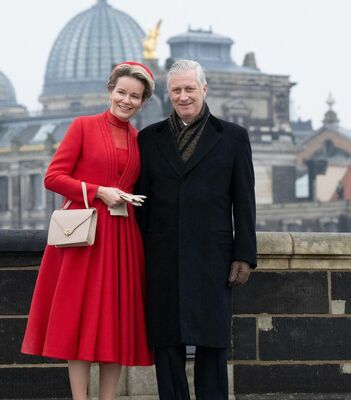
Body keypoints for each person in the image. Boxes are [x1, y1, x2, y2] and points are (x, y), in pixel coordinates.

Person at [22, 61, 156, 400]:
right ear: (110, 91)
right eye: (122, 92)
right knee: (79, 321)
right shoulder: (83, 126)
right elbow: (53, 177)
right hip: (85, 236)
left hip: (124, 237)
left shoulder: (142, 140)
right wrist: (98, 191)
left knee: (118, 323)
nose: (127, 100)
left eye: (135, 96)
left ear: (143, 102)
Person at [135, 59, 257, 400]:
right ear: (167, 94)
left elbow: (244, 201)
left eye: (190, 88)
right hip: (163, 257)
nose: (183, 96)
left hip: (213, 257)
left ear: (204, 89)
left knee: (213, 344)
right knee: (167, 345)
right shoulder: (148, 138)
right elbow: (141, 202)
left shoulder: (233, 137)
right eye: (176, 90)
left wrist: (244, 255)